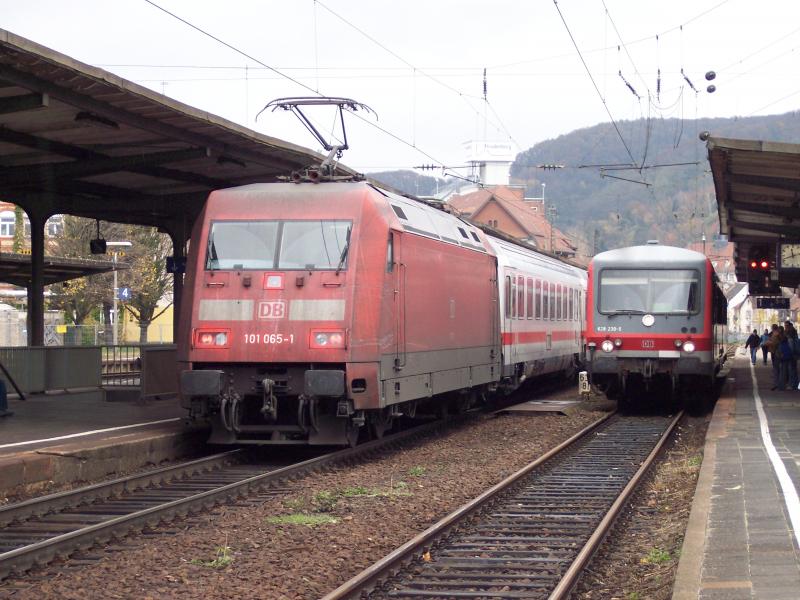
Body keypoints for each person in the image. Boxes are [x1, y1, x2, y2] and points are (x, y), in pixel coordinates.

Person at [765, 324, 784, 390]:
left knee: (776, 369)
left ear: (773, 328)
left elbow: (774, 343)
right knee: (778, 369)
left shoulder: (775, 334)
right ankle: (778, 384)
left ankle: (777, 384)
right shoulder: (777, 334)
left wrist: (767, 342)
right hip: (777, 352)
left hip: (776, 353)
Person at [785, 321, 799, 390]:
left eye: (786, 326)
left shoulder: (790, 337)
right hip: (795, 355)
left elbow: (791, 348)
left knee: (791, 370)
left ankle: (792, 385)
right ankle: (796, 384)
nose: (785, 327)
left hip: (791, 356)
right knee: (794, 370)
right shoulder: (795, 334)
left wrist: (789, 355)